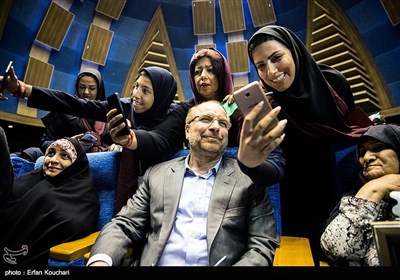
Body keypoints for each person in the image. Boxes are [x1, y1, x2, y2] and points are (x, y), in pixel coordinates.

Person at [87, 100, 280, 267]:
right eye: (206, 119)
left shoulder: (249, 179)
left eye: (223, 123)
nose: (215, 127)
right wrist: (101, 260)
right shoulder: (157, 174)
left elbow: (262, 243)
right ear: (187, 130)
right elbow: (124, 224)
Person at [246, 25, 373, 262]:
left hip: (338, 184)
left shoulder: (335, 83)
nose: (271, 72)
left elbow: (346, 128)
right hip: (291, 190)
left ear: (293, 52)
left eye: (276, 58)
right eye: (261, 66)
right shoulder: (267, 102)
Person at [0, 65, 178, 213]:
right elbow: (74, 104)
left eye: (145, 90)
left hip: (162, 192)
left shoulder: (175, 117)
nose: (136, 94)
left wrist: (129, 139)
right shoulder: (125, 106)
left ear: (161, 96)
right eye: (136, 86)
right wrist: (22, 89)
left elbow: (158, 140)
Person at [108, 48, 286, 187]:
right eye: (197, 72)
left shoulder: (239, 103)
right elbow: (160, 137)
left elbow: (267, 149)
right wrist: (129, 137)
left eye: (210, 70)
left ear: (221, 74)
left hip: (242, 180)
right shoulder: (186, 109)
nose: (203, 77)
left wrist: (241, 115)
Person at [0, 128, 99, 266]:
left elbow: (73, 227)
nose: (53, 160)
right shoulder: (28, 180)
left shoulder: (84, 199)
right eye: (50, 153)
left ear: (77, 165)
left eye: (64, 156)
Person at [320, 123, 400, 266]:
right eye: (362, 152)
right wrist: (373, 189)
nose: (367, 158)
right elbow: (336, 250)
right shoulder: (355, 198)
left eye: (378, 148)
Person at [40, 68, 114, 153]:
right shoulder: (63, 110)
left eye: (92, 88)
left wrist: (116, 145)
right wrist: (67, 144)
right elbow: (44, 142)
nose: (86, 92)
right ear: (76, 87)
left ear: (99, 90)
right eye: (82, 87)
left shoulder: (108, 114)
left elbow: (115, 142)